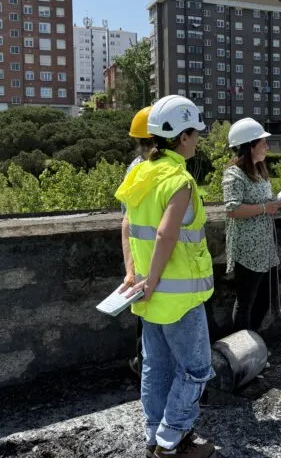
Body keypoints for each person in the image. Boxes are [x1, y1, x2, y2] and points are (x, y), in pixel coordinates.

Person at [116, 95, 217, 457]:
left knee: (155, 368)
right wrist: (154, 281)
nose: (197, 140)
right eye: (195, 134)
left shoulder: (140, 173)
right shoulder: (179, 179)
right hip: (178, 296)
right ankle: (170, 440)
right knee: (196, 369)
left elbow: (127, 224)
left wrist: (133, 274)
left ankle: (153, 437)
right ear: (183, 137)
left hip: (146, 292)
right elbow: (166, 234)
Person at [223, 118, 281, 332]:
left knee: (265, 298)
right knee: (244, 302)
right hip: (247, 249)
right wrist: (265, 207)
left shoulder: (260, 171)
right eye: (263, 142)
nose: (267, 146)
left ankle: (252, 342)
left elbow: (268, 204)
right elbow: (232, 209)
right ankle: (241, 351)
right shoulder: (233, 174)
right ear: (250, 145)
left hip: (264, 247)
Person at [119, 105, 155, 377]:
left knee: (146, 324)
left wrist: (130, 269)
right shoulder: (145, 170)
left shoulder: (137, 168)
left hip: (145, 262)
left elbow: (126, 224)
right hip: (154, 262)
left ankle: (145, 370)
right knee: (149, 326)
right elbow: (129, 223)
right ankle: (145, 370)